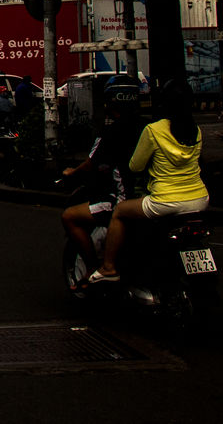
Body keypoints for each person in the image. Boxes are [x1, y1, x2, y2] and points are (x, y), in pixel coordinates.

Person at [87, 80, 210, 285]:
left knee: (120, 211)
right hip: (200, 200)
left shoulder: (154, 130)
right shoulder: (195, 130)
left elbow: (135, 166)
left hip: (164, 201)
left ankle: (108, 267)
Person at [58, 76, 144, 281]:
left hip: (124, 199)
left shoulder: (110, 133)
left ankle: (95, 268)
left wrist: (71, 173)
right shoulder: (149, 127)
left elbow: (90, 164)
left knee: (69, 216)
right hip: (151, 197)